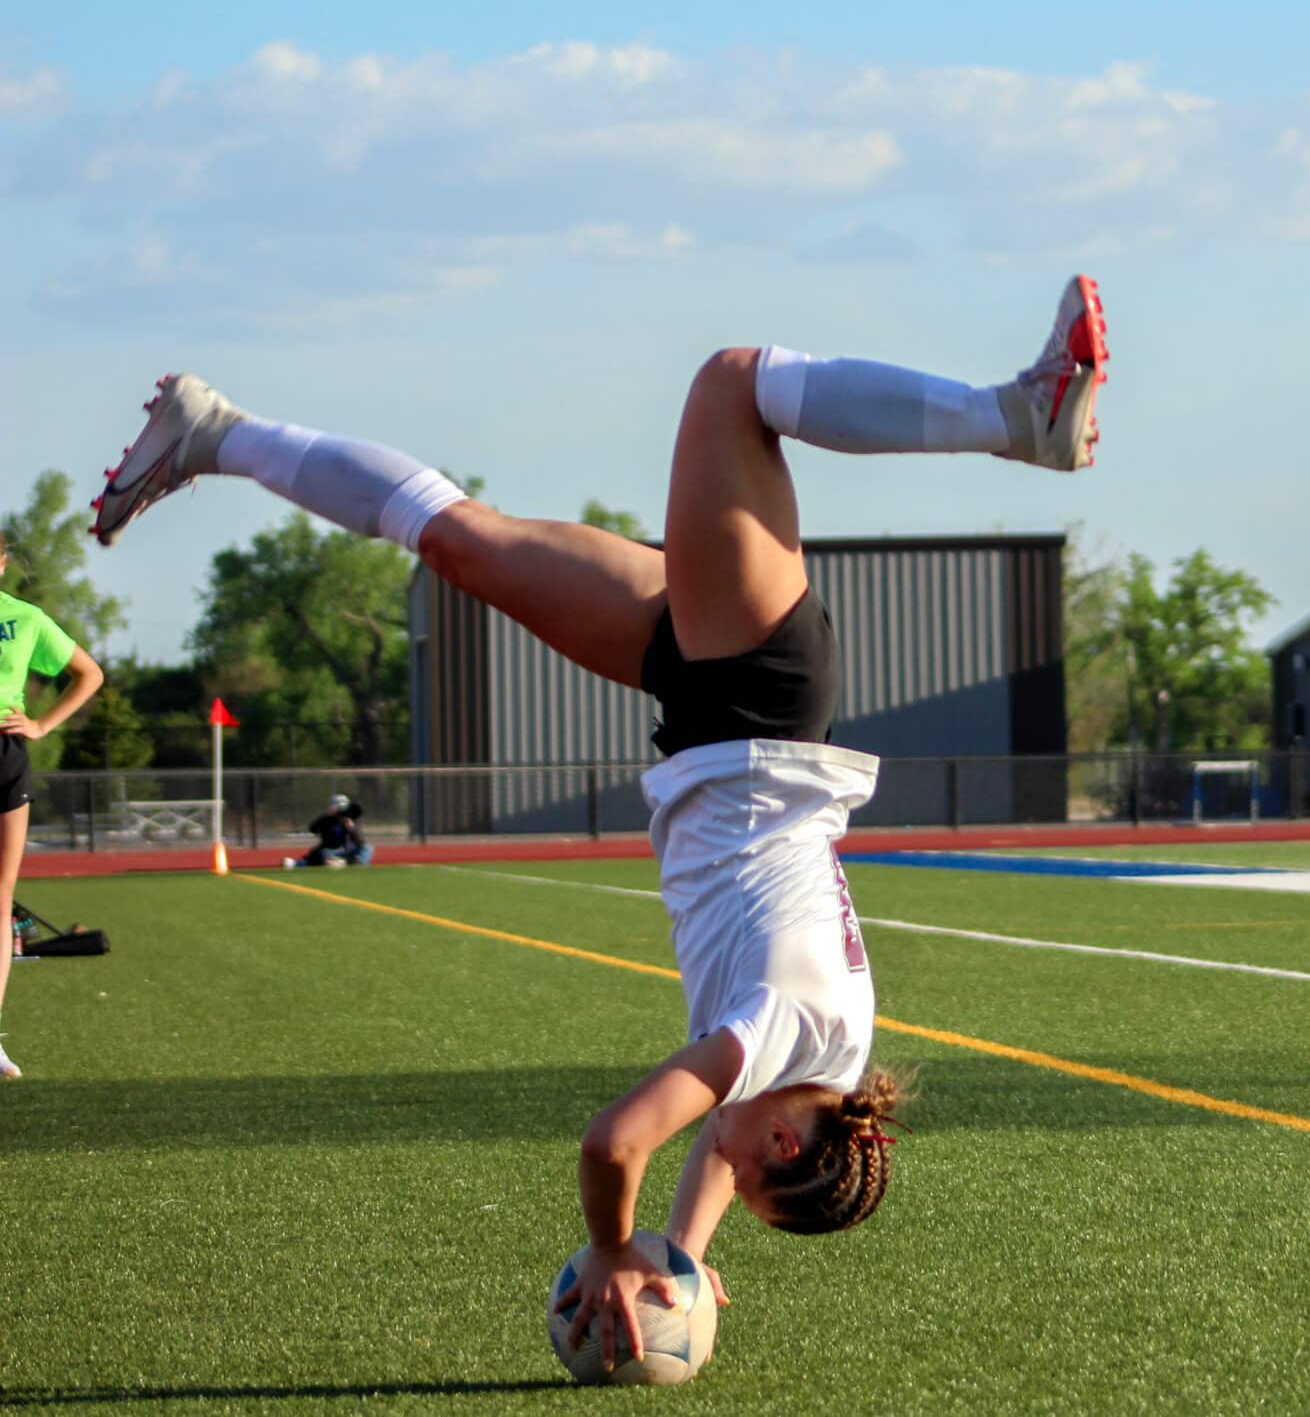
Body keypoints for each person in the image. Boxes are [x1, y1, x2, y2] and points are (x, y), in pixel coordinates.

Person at [89, 275, 1108, 1366]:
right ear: (780, 1139)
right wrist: (620, 1250)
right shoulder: (784, 1037)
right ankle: (1017, 417)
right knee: (730, 383)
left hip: (724, 699)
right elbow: (613, 1141)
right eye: (756, 1178)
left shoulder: (819, 1062)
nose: (727, 1164)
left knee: (457, 539)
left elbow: (724, 1135)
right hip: (744, 697)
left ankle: (215, 434)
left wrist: (681, 1246)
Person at [0, 528, 107, 1080]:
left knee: (0, 899)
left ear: (2, 563)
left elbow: (89, 673)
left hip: (5, 753)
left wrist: (41, 723)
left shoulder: (25, 616)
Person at [282, 794, 370, 868]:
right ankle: (343, 863)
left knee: (367, 848)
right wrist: (325, 816)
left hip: (348, 849)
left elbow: (360, 841)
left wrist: (352, 828)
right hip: (332, 850)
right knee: (324, 854)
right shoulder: (327, 819)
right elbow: (313, 829)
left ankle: (356, 864)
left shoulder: (353, 819)